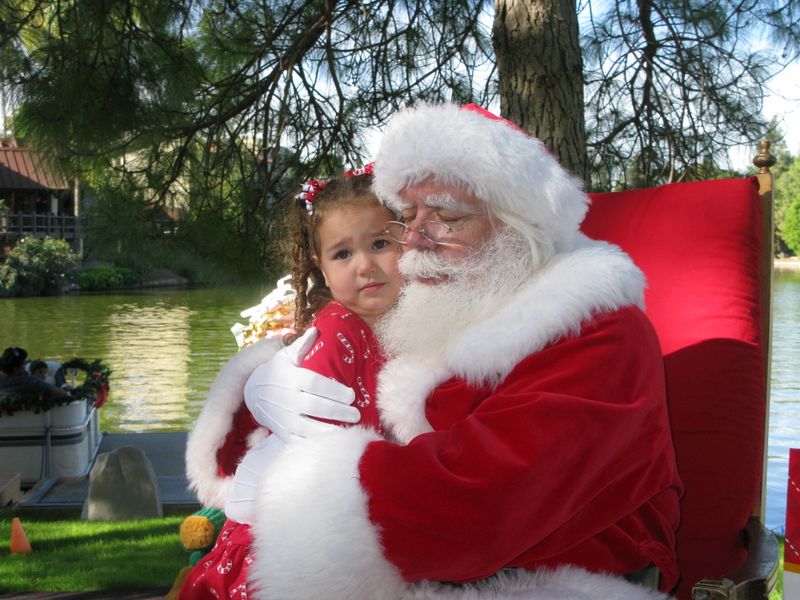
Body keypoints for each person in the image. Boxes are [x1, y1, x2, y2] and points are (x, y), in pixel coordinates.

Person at [184, 103, 682, 599]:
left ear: (519, 225)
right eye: (408, 216)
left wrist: (300, 480)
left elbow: (478, 503)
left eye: (448, 216)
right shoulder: (441, 309)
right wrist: (254, 398)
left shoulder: (599, 332)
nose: (417, 238)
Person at [180, 166, 403, 599]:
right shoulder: (338, 332)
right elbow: (351, 442)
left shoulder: (398, 327)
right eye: (343, 254)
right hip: (303, 546)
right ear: (319, 266)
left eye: (380, 244)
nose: (365, 266)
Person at [0, 347, 71, 401]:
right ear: (16, 368)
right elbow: (62, 394)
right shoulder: (29, 382)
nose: (25, 366)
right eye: (24, 363)